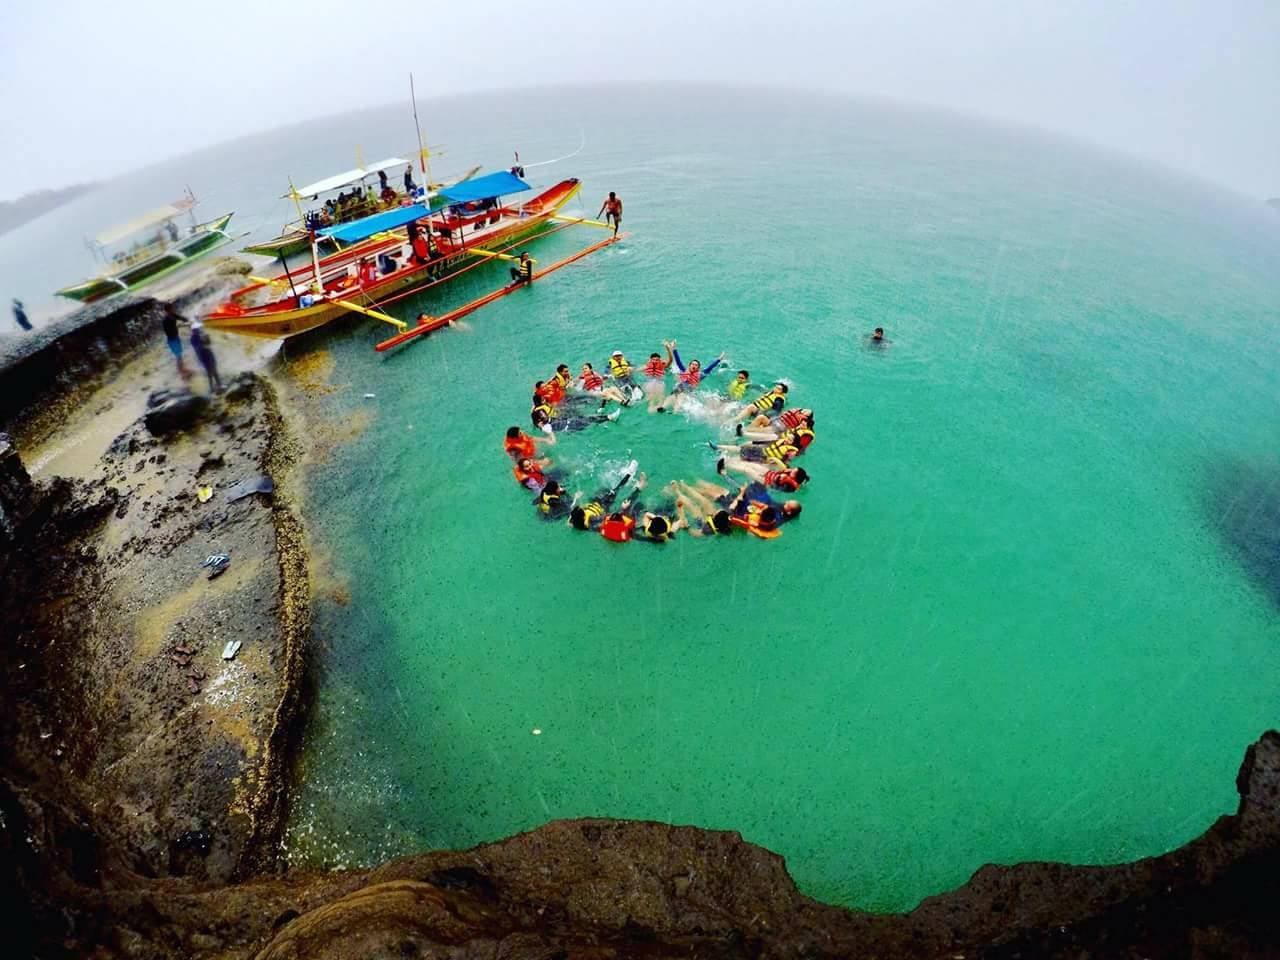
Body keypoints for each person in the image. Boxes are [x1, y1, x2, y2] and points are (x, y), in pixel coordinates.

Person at [189, 319, 222, 393]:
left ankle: (218, 385)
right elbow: (199, 347)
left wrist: (206, 338)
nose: (198, 330)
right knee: (210, 371)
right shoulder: (193, 338)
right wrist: (204, 340)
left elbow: (208, 343)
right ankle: (213, 387)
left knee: (214, 370)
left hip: (208, 353)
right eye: (196, 329)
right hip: (204, 355)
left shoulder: (200, 335)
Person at [642, 341, 674, 412]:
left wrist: (667, 348)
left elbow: (671, 360)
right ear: (650, 360)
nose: (655, 361)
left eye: (657, 360)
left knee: (661, 397)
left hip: (659, 382)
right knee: (651, 398)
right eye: (654, 359)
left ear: (659, 360)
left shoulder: (662, 366)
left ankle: (659, 408)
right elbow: (637, 370)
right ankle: (652, 409)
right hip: (649, 382)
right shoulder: (646, 366)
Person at [161, 305, 190, 379]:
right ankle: (182, 374)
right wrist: (181, 325)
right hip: (172, 340)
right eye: (172, 309)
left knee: (180, 355)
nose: (173, 310)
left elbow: (181, 318)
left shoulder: (172, 315)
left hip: (175, 338)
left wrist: (186, 320)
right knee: (178, 356)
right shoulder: (166, 320)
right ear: (168, 310)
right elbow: (169, 331)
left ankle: (183, 370)